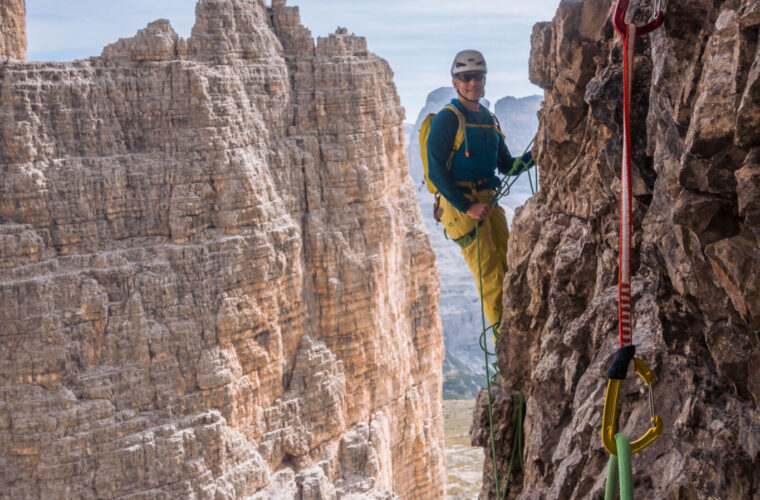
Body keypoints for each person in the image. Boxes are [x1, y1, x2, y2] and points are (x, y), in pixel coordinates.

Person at [426, 49, 532, 337]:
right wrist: (466, 206)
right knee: (491, 277)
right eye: (466, 77)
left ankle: (515, 333)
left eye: (478, 77)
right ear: (455, 82)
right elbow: (436, 171)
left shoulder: (488, 118)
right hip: (464, 210)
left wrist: (538, 153)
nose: (473, 83)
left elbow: (507, 166)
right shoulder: (448, 119)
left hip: (489, 203)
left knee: (510, 266)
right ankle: (504, 346)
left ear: (485, 81)